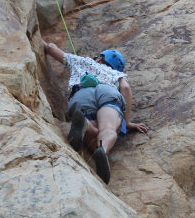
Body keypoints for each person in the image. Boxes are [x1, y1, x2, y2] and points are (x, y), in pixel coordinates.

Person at [42, 41, 148, 184]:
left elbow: (50, 48)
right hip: (107, 92)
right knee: (108, 129)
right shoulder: (117, 73)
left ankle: (84, 123)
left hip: (81, 93)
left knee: (92, 132)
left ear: (99, 58)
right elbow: (126, 88)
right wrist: (127, 122)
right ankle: (103, 150)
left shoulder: (82, 61)